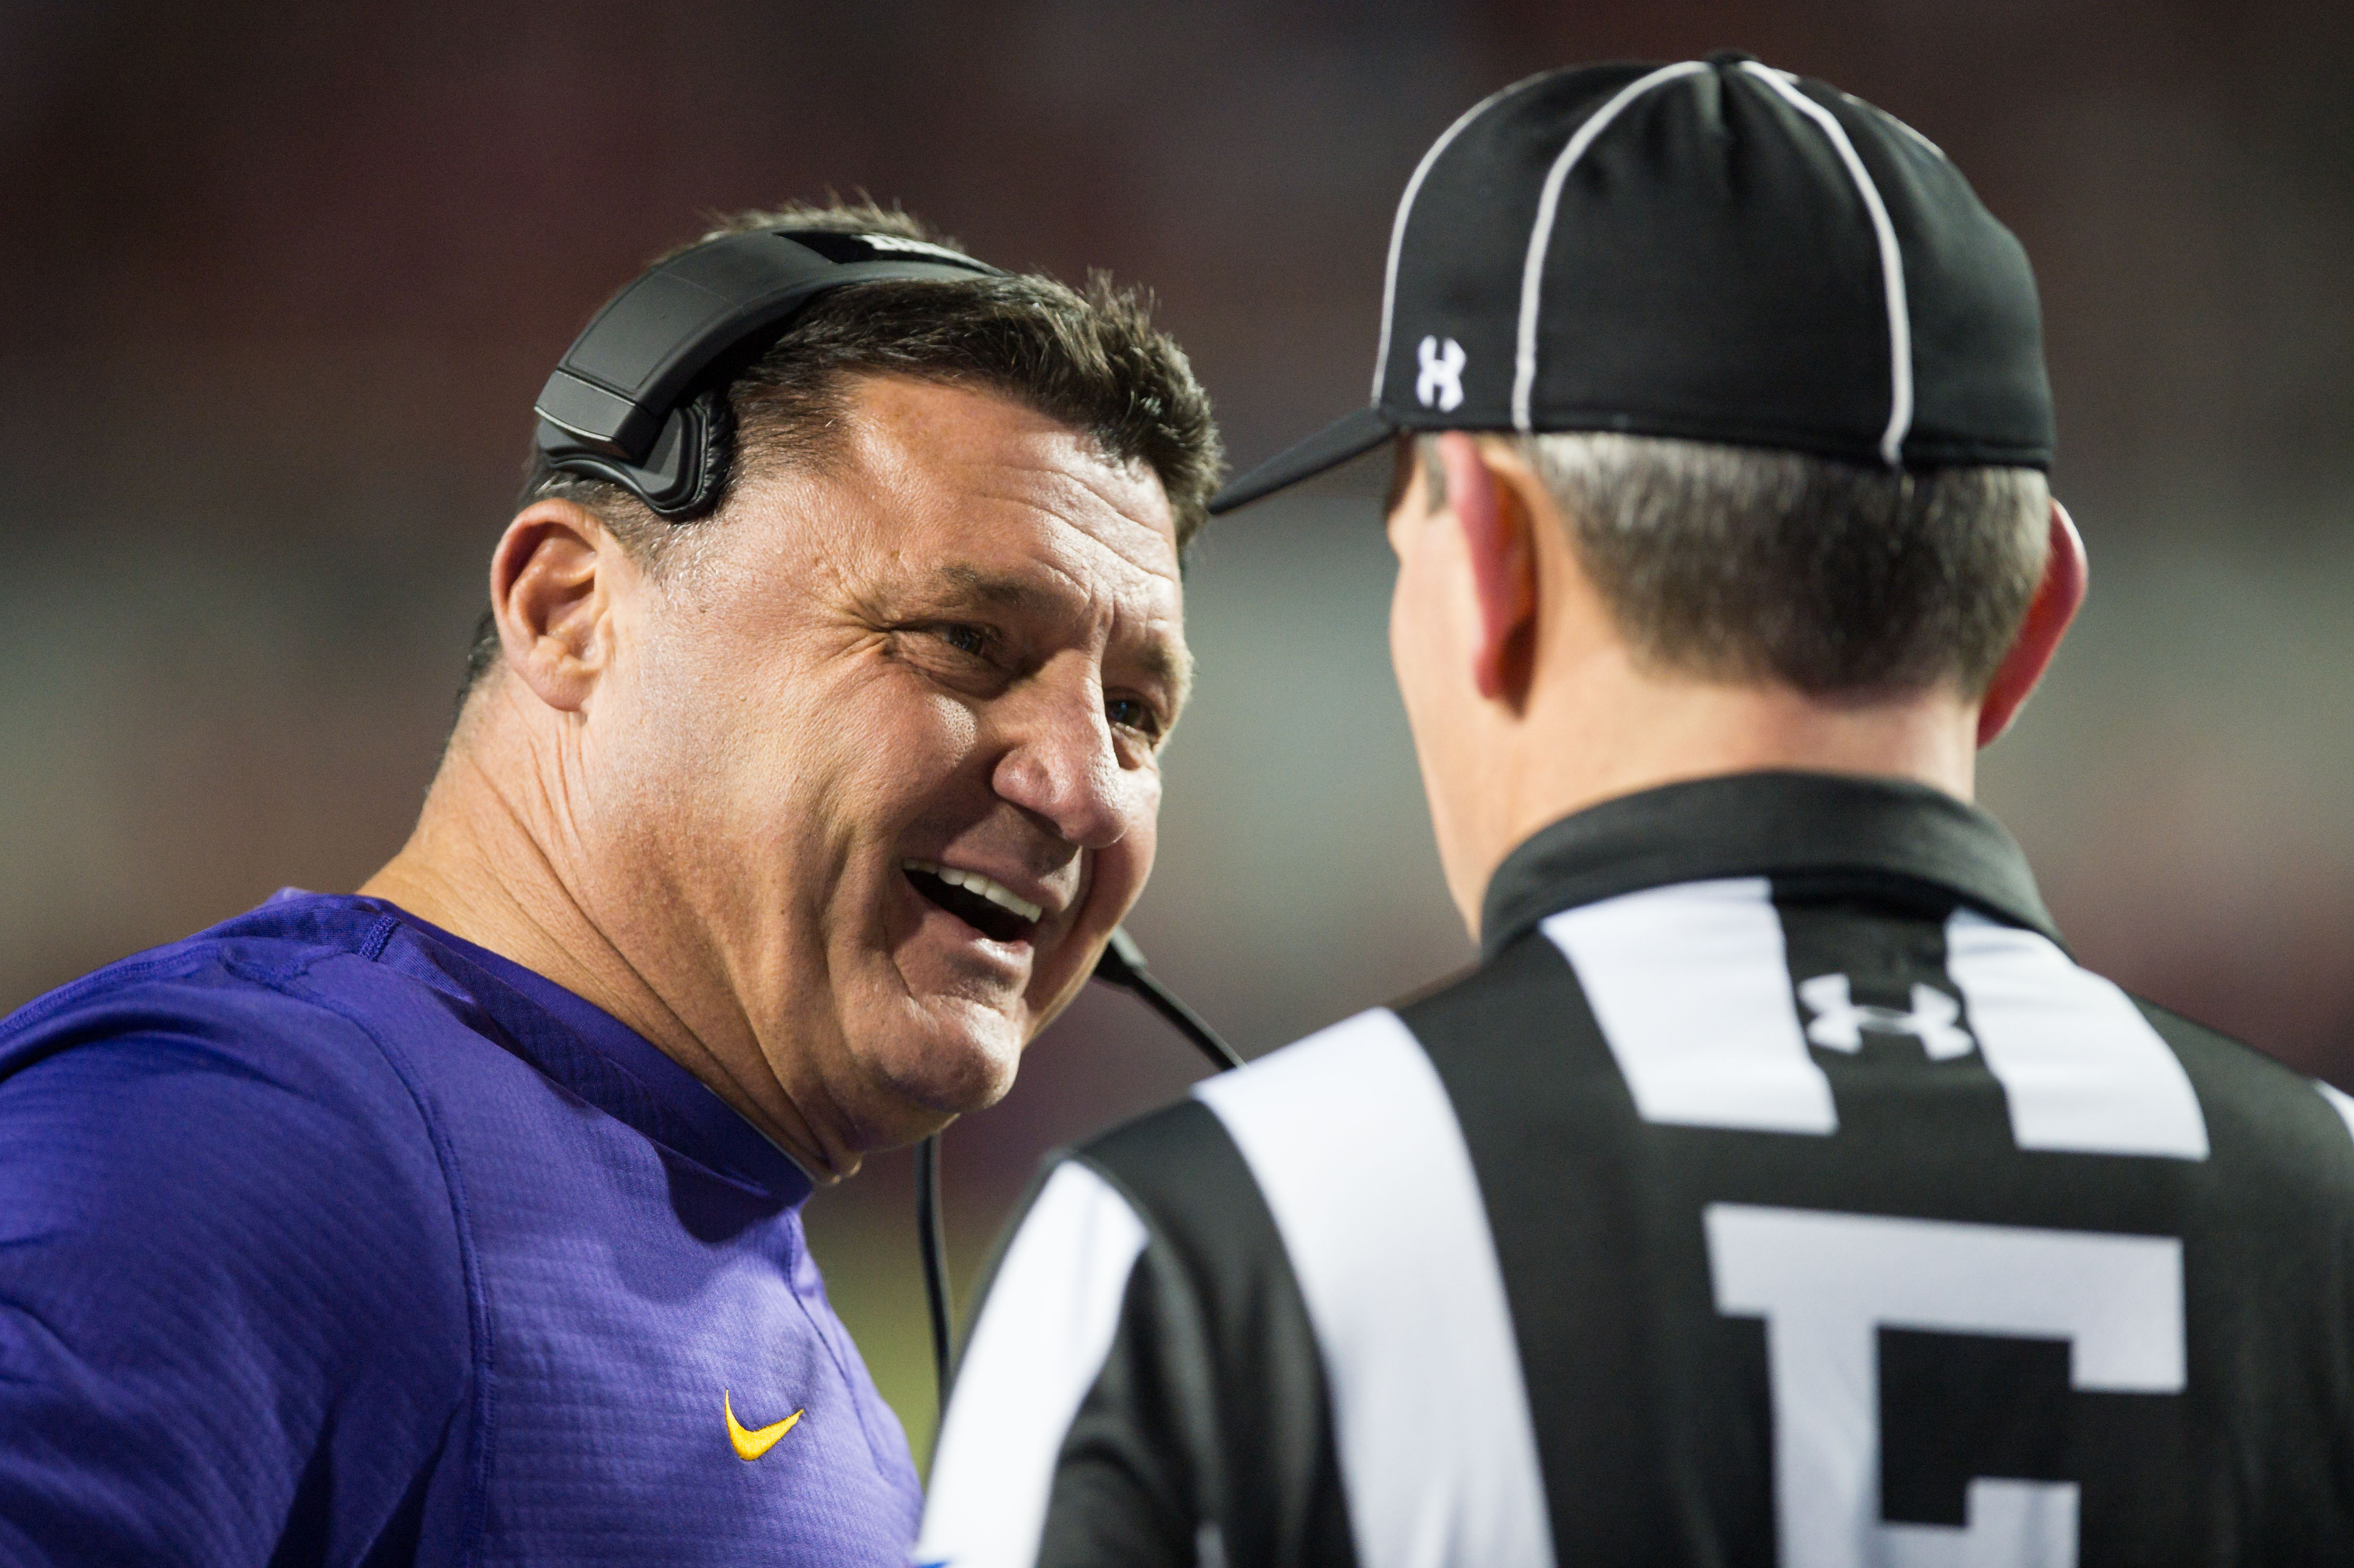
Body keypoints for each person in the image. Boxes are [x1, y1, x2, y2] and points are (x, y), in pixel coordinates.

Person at [916, 54, 2354, 1568]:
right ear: (2029, 621)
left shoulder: (1206, 1258)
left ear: (1486, 557)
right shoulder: (2328, 1215)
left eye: (1403, 532)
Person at [0, 201, 1219, 1566]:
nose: (1089, 787)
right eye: (963, 639)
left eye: (1133, 712)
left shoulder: (805, 1348)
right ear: (569, 613)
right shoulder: (238, 1148)